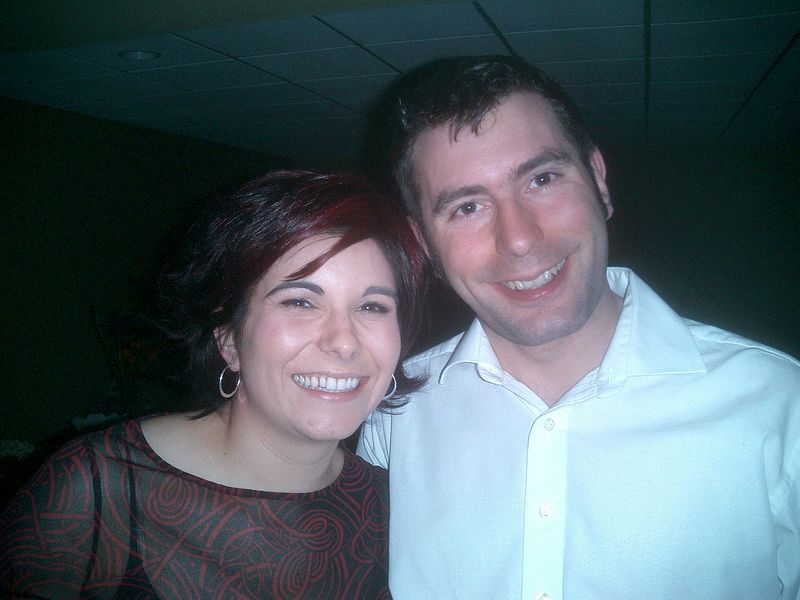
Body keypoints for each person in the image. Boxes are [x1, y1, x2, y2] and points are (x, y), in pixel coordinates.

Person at [358, 55, 800, 599]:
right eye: (467, 207)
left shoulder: (779, 406)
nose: (519, 239)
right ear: (423, 242)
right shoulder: (394, 414)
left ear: (599, 180)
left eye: (542, 179)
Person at [0, 170, 428, 599]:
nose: (344, 342)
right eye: (300, 301)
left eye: (372, 307)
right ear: (228, 339)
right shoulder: (95, 489)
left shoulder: (392, 504)